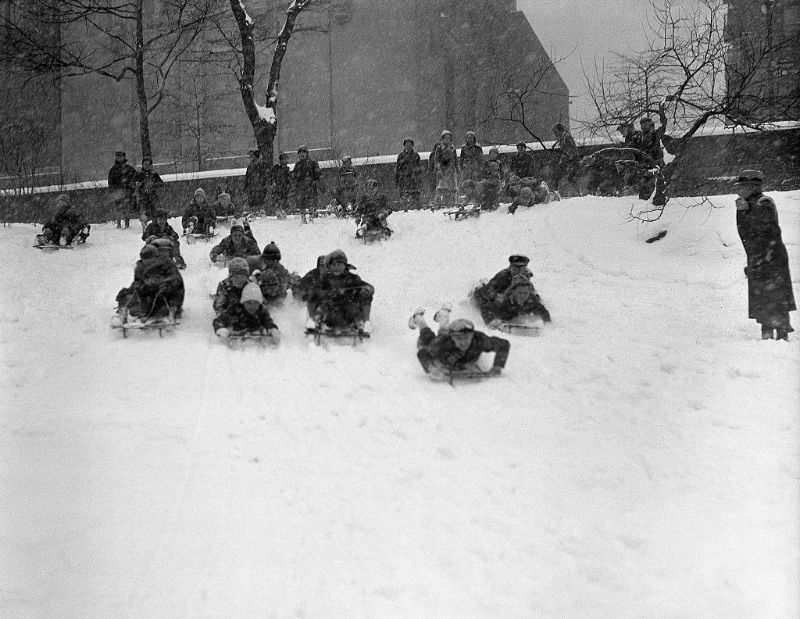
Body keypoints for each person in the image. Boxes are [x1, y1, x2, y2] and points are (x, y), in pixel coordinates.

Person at [734, 170, 795, 340]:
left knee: (777, 298)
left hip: (772, 258)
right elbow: (745, 234)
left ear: (753, 187)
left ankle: (782, 336)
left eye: (742, 187)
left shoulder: (764, 202)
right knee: (762, 298)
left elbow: (765, 219)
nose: (739, 191)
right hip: (758, 258)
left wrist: (749, 208)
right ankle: (766, 335)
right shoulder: (746, 204)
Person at [409, 313, 509, 379]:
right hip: (439, 348)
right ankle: (419, 319)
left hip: (453, 350)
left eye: (467, 337)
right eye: (459, 339)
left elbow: (503, 344)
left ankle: (443, 316)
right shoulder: (441, 343)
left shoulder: (480, 339)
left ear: (472, 335)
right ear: (452, 338)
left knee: (442, 331)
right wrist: (431, 368)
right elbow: (423, 353)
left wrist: (498, 366)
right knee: (427, 337)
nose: (464, 342)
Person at [307, 249, 374, 334]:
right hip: (329, 311)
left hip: (348, 311)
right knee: (313, 295)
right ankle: (313, 320)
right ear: (329, 267)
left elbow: (368, 287)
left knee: (365, 295)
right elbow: (315, 289)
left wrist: (366, 289)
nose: (336, 268)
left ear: (345, 265)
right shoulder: (325, 279)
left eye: (339, 265)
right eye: (334, 265)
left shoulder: (352, 278)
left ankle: (365, 322)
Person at [115, 241, 184, 322]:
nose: (147, 261)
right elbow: (137, 282)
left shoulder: (167, 264)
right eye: (144, 259)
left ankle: (172, 311)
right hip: (147, 294)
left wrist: (163, 284)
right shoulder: (140, 267)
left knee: (167, 296)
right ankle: (124, 313)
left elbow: (175, 280)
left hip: (166, 294)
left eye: (149, 258)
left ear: (155, 257)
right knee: (127, 294)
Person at [213, 282, 279, 340]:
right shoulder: (234, 310)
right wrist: (220, 329)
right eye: (249, 303)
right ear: (243, 302)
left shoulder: (262, 312)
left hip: (255, 343)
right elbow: (218, 321)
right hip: (235, 343)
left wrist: (273, 330)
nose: (252, 306)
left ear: (259, 303)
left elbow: (269, 323)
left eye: (256, 303)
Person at [476, 276, 551, 326]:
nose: (523, 296)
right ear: (513, 292)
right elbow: (485, 308)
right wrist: (490, 321)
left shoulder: (532, 299)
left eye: (525, 293)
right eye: (520, 293)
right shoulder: (502, 300)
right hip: (482, 297)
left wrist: (547, 322)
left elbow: (543, 311)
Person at [107, 150, 137, 229]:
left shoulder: (129, 168)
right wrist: (112, 191)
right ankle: (119, 224)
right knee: (118, 208)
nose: (119, 158)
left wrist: (132, 185)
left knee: (126, 207)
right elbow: (110, 182)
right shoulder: (113, 170)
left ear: (124, 157)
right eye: (118, 157)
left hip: (127, 191)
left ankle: (127, 224)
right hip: (117, 191)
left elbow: (136, 177)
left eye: (120, 157)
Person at [133, 156, 164, 231]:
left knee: (156, 211)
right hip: (142, 197)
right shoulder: (139, 174)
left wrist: (153, 184)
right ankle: (145, 228)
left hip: (152, 196)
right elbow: (132, 184)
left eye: (148, 164)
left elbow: (161, 183)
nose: (146, 166)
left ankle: (155, 227)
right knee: (143, 213)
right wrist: (140, 184)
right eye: (145, 164)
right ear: (142, 164)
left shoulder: (154, 174)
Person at [293, 144, 322, 214]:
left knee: (311, 204)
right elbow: (294, 176)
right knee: (301, 204)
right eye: (300, 152)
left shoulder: (313, 163)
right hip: (301, 188)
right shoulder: (297, 164)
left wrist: (315, 181)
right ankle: (303, 219)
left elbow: (318, 175)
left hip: (311, 187)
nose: (302, 154)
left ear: (307, 153)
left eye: (304, 152)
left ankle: (311, 217)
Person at [433, 130, 459, 209]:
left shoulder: (452, 148)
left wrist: (457, 168)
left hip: (451, 170)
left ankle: (452, 203)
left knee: (452, 188)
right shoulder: (439, 148)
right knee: (442, 188)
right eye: (445, 138)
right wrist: (438, 169)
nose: (447, 140)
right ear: (442, 139)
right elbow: (436, 160)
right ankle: (440, 203)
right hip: (443, 170)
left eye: (448, 138)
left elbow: (455, 159)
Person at [551, 122, 578, 197]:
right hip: (566, 161)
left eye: (555, 132)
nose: (555, 134)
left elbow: (573, 150)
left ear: (560, 130)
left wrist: (567, 158)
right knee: (557, 177)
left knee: (569, 178)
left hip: (570, 161)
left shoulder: (567, 137)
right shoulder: (562, 138)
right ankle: (559, 193)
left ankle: (576, 194)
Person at [395, 137, 421, 210]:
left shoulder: (416, 155)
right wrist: (398, 179)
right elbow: (398, 168)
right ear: (404, 145)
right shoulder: (401, 156)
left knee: (414, 196)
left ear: (412, 145)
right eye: (406, 144)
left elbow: (419, 168)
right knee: (404, 196)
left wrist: (415, 174)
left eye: (410, 144)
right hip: (404, 180)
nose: (408, 145)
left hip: (414, 180)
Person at [475, 146, 502, 211]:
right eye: (491, 153)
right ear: (489, 155)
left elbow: (501, 173)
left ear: (497, 155)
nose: (493, 155)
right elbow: (483, 172)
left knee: (492, 191)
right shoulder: (486, 163)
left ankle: (493, 204)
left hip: (496, 181)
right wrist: (484, 178)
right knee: (483, 189)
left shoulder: (499, 163)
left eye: (494, 153)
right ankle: (482, 203)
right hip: (488, 181)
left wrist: (500, 180)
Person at [269, 152, 292, 217]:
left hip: (284, 188)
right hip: (277, 187)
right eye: (283, 159)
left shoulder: (287, 169)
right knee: (277, 200)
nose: (285, 161)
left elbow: (288, 179)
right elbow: (272, 176)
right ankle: (278, 212)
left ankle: (283, 212)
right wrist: (273, 183)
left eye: (286, 159)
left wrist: (288, 186)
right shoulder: (276, 168)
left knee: (284, 200)